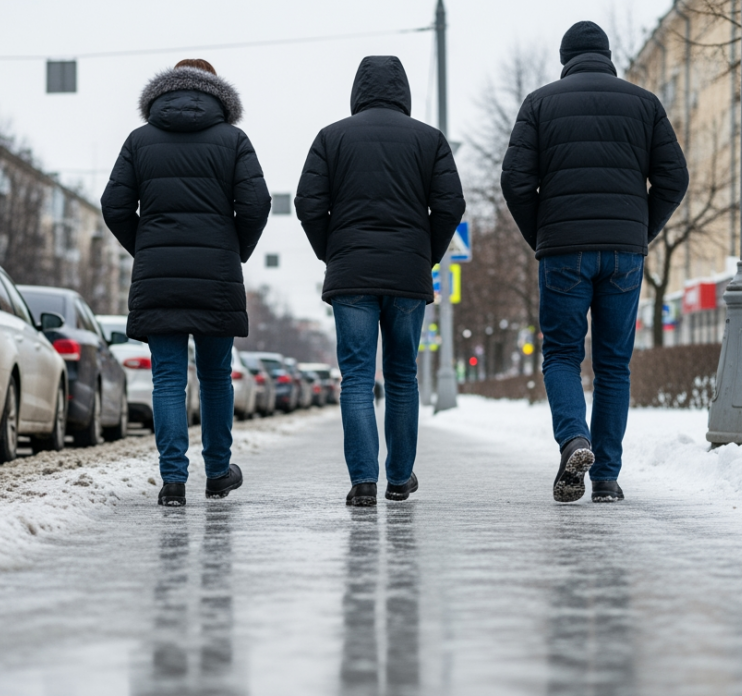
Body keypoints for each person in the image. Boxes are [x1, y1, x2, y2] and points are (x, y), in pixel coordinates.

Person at [501, 22, 688, 503]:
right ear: (608, 56)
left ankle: (574, 441)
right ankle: (605, 477)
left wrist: (541, 236)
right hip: (624, 252)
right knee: (613, 365)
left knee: (562, 354)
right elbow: (674, 178)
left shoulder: (540, 104)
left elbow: (515, 182)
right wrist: (638, 231)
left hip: (564, 249)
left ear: (565, 59)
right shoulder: (644, 103)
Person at [295, 56, 465, 507]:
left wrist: (330, 252)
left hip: (351, 274)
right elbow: (450, 205)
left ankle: (363, 482)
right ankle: (399, 478)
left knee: (355, 378)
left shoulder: (332, 138)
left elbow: (308, 203)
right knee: (403, 377)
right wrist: (425, 254)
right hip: (408, 273)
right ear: (403, 90)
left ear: (358, 90)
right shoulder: (429, 140)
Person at [101, 59, 271, 507]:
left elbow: (114, 206)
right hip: (216, 274)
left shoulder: (140, 141)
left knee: (168, 380)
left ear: (163, 92)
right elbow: (256, 205)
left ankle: (173, 481)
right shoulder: (233, 140)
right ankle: (217, 473)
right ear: (217, 93)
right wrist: (235, 251)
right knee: (216, 377)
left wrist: (148, 248)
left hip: (159, 277)